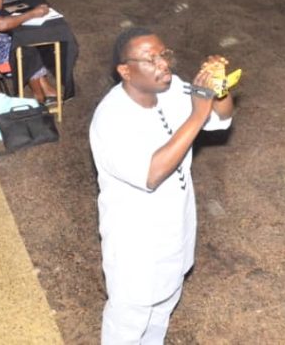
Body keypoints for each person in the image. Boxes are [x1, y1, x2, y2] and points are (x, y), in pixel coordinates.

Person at [90, 27, 234, 343]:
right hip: (136, 244)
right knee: (129, 322)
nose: (163, 64)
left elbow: (222, 118)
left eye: (164, 55)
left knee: (162, 310)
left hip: (175, 228)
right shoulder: (111, 118)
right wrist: (198, 113)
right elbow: (151, 174)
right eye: (151, 59)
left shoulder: (173, 88)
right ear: (125, 71)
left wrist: (218, 86)